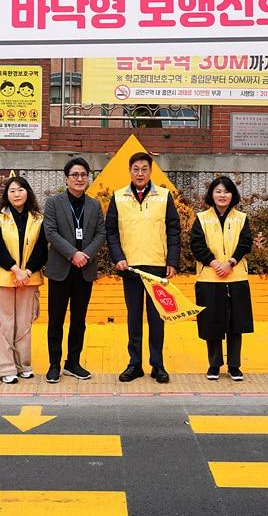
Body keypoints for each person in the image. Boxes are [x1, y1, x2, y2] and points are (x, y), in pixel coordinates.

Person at [105, 151, 181, 384]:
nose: (140, 173)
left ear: (151, 171)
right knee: (134, 317)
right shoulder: (118, 197)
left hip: (157, 267)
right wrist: (118, 257)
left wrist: (172, 262)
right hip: (130, 268)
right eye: (136, 169)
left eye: (144, 169)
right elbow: (111, 231)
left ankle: (157, 365)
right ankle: (134, 363)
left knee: (157, 318)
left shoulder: (164, 196)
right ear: (130, 171)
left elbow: (174, 230)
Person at [43, 157, 106, 383]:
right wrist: (73, 254)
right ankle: (54, 364)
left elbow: (101, 233)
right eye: (75, 175)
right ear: (66, 178)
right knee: (56, 320)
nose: (79, 179)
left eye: (83, 175)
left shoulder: (94, 205)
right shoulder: (54, 203)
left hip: (84, 271)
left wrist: (85, 255)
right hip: (61, 270)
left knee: (79, 320)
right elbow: (50, 232)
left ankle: (73, 362)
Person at [189, 176, 254, 381]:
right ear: (212, 194)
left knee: (236, 323)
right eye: (218, 191)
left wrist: (231, 262)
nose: (222, 195)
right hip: (209, 277)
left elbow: (246, 243)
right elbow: (196, 244)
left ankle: (234, 366)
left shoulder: (241, 218)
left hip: (236, 277)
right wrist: (215, 263)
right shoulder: (201, 218)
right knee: (212, 323)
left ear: (232, 194)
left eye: (226, 191)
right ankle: (214, 364)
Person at [0, 176, 48, 384]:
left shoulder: (39, 219)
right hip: (3, 278)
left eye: (20, 190)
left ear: (28, 193)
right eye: (12, 190)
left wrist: (28, 271)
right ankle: (5, 368)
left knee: (23, 323)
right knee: (2, 324)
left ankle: (24, 365)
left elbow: (42, 249)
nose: (16, 194)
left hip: (28, 279)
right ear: (7, 195)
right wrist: (15, 269)